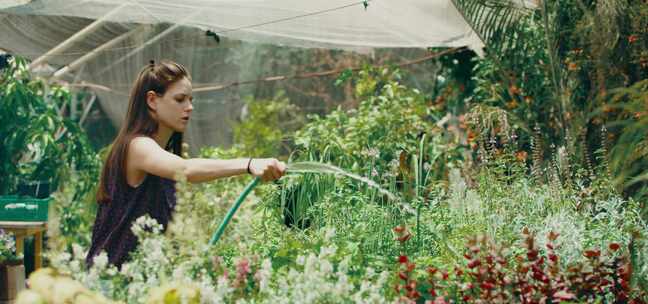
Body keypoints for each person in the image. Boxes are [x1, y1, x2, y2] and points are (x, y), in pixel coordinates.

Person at [86, 60, 286, 268]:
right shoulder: (137, 147)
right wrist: (249, 164)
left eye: (191, 99)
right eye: (180, 99)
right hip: (109, 283)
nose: (189, 107)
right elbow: (186, 170)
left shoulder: (160, 156)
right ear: (152, 100)